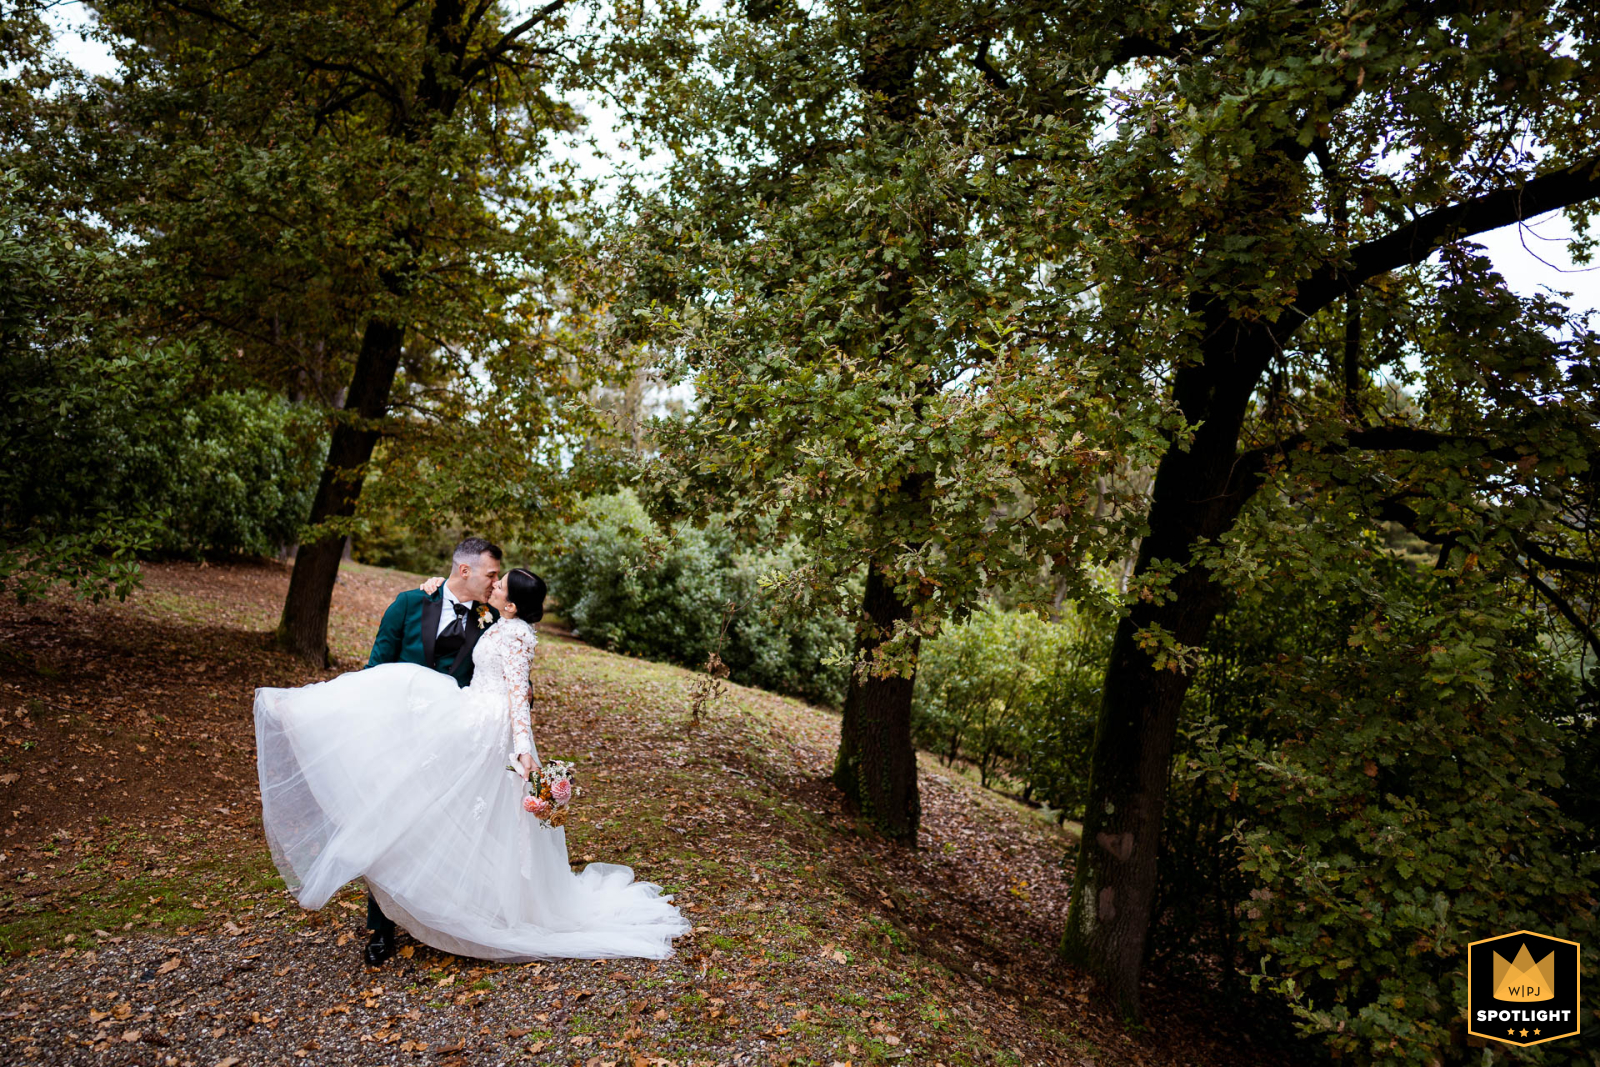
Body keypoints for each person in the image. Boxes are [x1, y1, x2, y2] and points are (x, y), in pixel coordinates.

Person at [252, 562, 689, 965]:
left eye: (499, 583)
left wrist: (524, 751)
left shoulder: (515, 634)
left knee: (458, 807)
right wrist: (434, 586)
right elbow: (457, 593)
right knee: (404, 714)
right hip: (472, 710)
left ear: (512, 604)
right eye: (493, 577)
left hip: (489, 727)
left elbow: (519, 695)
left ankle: (477, 907)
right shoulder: (498, 619)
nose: (493, 585)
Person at [357, 536, 502, 963]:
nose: (495, 583)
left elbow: (505, 669)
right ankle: (380, 928)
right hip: (399, 734)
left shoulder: (491, 620)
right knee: (388, 827)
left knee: (439, 826)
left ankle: (436, 916)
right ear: (465, 571)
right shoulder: (409, 602)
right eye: (491, 574)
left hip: (451, 742)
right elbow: (377, 665)